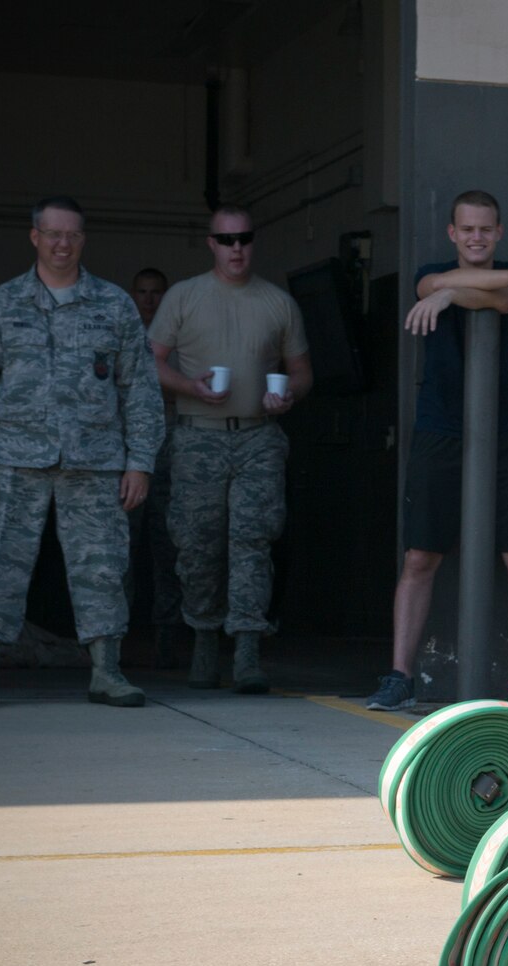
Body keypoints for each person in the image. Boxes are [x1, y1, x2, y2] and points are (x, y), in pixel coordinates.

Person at [0, 196, 163, 708]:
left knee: (103, 568)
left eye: (72, 235)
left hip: (95, 462)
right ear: (35, 237)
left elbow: (140, 390)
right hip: (14, 462)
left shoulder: (113, 306)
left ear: (83, 240)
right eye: (53, 234)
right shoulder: (1, 305)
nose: (62, 244)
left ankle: (107, 672)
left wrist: (140, 462)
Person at [366, 190, 508, 711]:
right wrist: (447, 290)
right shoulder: (430, 273)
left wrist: (460, 291)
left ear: (499, 233)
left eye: (485, 230)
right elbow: (432, 284)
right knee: (420, 557)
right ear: (453, 233)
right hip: (439, 432)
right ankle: (400, 675)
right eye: (466, 229)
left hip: (506, 435)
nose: (476, 237)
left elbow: (503, 302)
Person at [150, 207, 313, 695]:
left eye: (244, 238)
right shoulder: (183, 297)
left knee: (253, 541)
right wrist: (190, 387)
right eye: (226, 240)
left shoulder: (277, 303)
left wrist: (287, 396)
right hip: (197, 434)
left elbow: (302, 370)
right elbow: (149, 361)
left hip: (258, 436)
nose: (236, 248)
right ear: (211, 244)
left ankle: (246, 650)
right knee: (197, 544)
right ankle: (203, 639)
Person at [126, 267, 184, 668]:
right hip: (128, 453)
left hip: (172, 447)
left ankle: (168, 637)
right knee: (121, 550)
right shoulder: (123, 333)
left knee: (169, 545)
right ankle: (118, 638)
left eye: (156, 292)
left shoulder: (178, 341)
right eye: (142, 292)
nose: (149, 300)